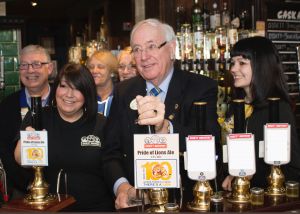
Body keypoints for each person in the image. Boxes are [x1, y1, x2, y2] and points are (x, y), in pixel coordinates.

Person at [102, 18, 223, 209]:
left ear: (172, 48)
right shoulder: (123, 91)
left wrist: (166, 129)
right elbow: (110, 151)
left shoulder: (200, 87)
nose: (143, 57)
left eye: (151, 46)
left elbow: (211, 142)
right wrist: (122, 188)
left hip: (185, 202)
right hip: (137, 202)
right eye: (137, 49)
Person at [14, 63, 114, 211]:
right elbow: (20, 160)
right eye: (63, 86)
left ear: (87, 93)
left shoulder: (102, 124)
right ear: (56, 89)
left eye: (77, 89)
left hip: (96, 208)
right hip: (50, 208)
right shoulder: (38, 117)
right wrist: (30, 144)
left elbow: (113, 165)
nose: (69, 94)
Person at [221, 36, 300, 190]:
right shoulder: (236, 106)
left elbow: (292, 169)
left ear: (261, 66)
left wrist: (250, 174)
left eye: (242, 63)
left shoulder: (277, 108)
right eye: (233, 62)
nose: (233, 69)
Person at [0, 45, 54, 198]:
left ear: (49, 68)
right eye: (24, 65)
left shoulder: (63, 98)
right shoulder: (7, 105)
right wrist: (26, 183)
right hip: (21, 190)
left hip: (60, 186)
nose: (30, 70)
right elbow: (4, 150)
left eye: (37, 64)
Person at [86, 50, 118, 117]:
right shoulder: (85, 96)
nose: (94, 71)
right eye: (91, 67)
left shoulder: (120, 95)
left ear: (111, 71)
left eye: (100, 67)